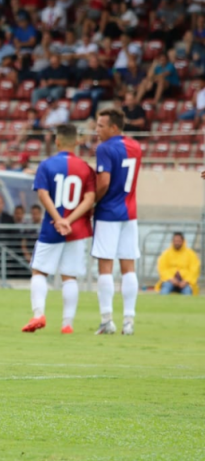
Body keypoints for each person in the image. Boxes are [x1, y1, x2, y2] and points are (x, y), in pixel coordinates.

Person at [22, 124, 96, 334]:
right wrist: (70, 221)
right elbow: (90, 199)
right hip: (77, 228)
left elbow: (43, 194)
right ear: (78, 142)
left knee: (39, 271)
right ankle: (67, 324)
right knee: (69, 276)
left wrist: (59, 219)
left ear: (57, 141)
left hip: (51, 227)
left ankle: (38, 315)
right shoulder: (85, 167)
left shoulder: (47, 165)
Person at [92, 108, 142, 336]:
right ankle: (129, 321)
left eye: (101, 126)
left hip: (108, 213)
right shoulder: (136, 147)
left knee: (105, 266)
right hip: (130, 212)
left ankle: (106, 320)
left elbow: (103, 182)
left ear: (113, 127)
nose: (96, 130)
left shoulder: (105, 148)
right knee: (128, 266)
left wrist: (91, 202)